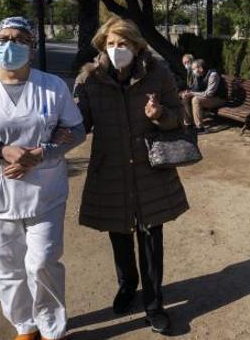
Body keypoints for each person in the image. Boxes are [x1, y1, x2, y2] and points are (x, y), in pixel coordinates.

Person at [0, 16, 85, 340]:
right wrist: (0, 150)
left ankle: (52, 328)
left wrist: (40, 154)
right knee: (6, 267)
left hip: (44, 192)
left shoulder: (52, 87)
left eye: (19, 39)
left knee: (44, 262)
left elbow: (75, 131)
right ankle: (25, 325)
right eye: (3, 38)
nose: (10, 44)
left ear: (32, 48)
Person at [73, 17, 189, 334]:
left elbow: (179, 118)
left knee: (151, 238)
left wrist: (160, 114)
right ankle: (128, 285)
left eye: (122, 43)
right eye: (110, 44)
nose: (116, 49)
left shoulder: (159, 74)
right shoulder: (90, 79)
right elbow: (79, 126)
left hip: (150, 169)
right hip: (109, 169)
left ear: (137, 46)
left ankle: (154, 304)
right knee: (119, 232)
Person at [179, 58, 225, 134]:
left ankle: (200, 127)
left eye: (194, 69)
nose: (193, 71)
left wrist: (192, 93)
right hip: (207, 98)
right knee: (185, 98)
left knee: (196, 100)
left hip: (219, 99)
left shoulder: (213, 75)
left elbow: (209, 93)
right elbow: (195, 89)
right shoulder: (198, 75)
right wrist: (188, 93)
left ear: (200, 68)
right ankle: (188, 124)